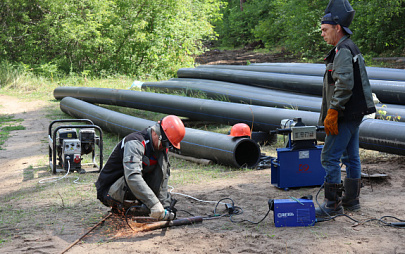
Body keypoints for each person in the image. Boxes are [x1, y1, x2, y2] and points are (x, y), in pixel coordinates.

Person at [316, 0, 376, 217]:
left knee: (329, 157)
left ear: (337, 27)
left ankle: (332, 205)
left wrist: (333, 111)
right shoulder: (349, 47)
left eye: (325, 30)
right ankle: (352, 200)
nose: (322, 34)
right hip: (354, 113)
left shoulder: (342, 49)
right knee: (351, 157)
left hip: (344, 114)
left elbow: (344, 84)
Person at [95, 115, 186, 221]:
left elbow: (163, 178)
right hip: (109, 191)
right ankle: (128, 207)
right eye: (165, 143)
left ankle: (142, 205)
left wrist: (165, 206)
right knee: (138, 184)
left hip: (126, 187)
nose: (165, 147)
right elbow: (132, 177)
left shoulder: (161, 148)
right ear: (157, 133)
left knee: (161, 171)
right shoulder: (135, 142)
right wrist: (154, 204)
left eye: (169, 145)